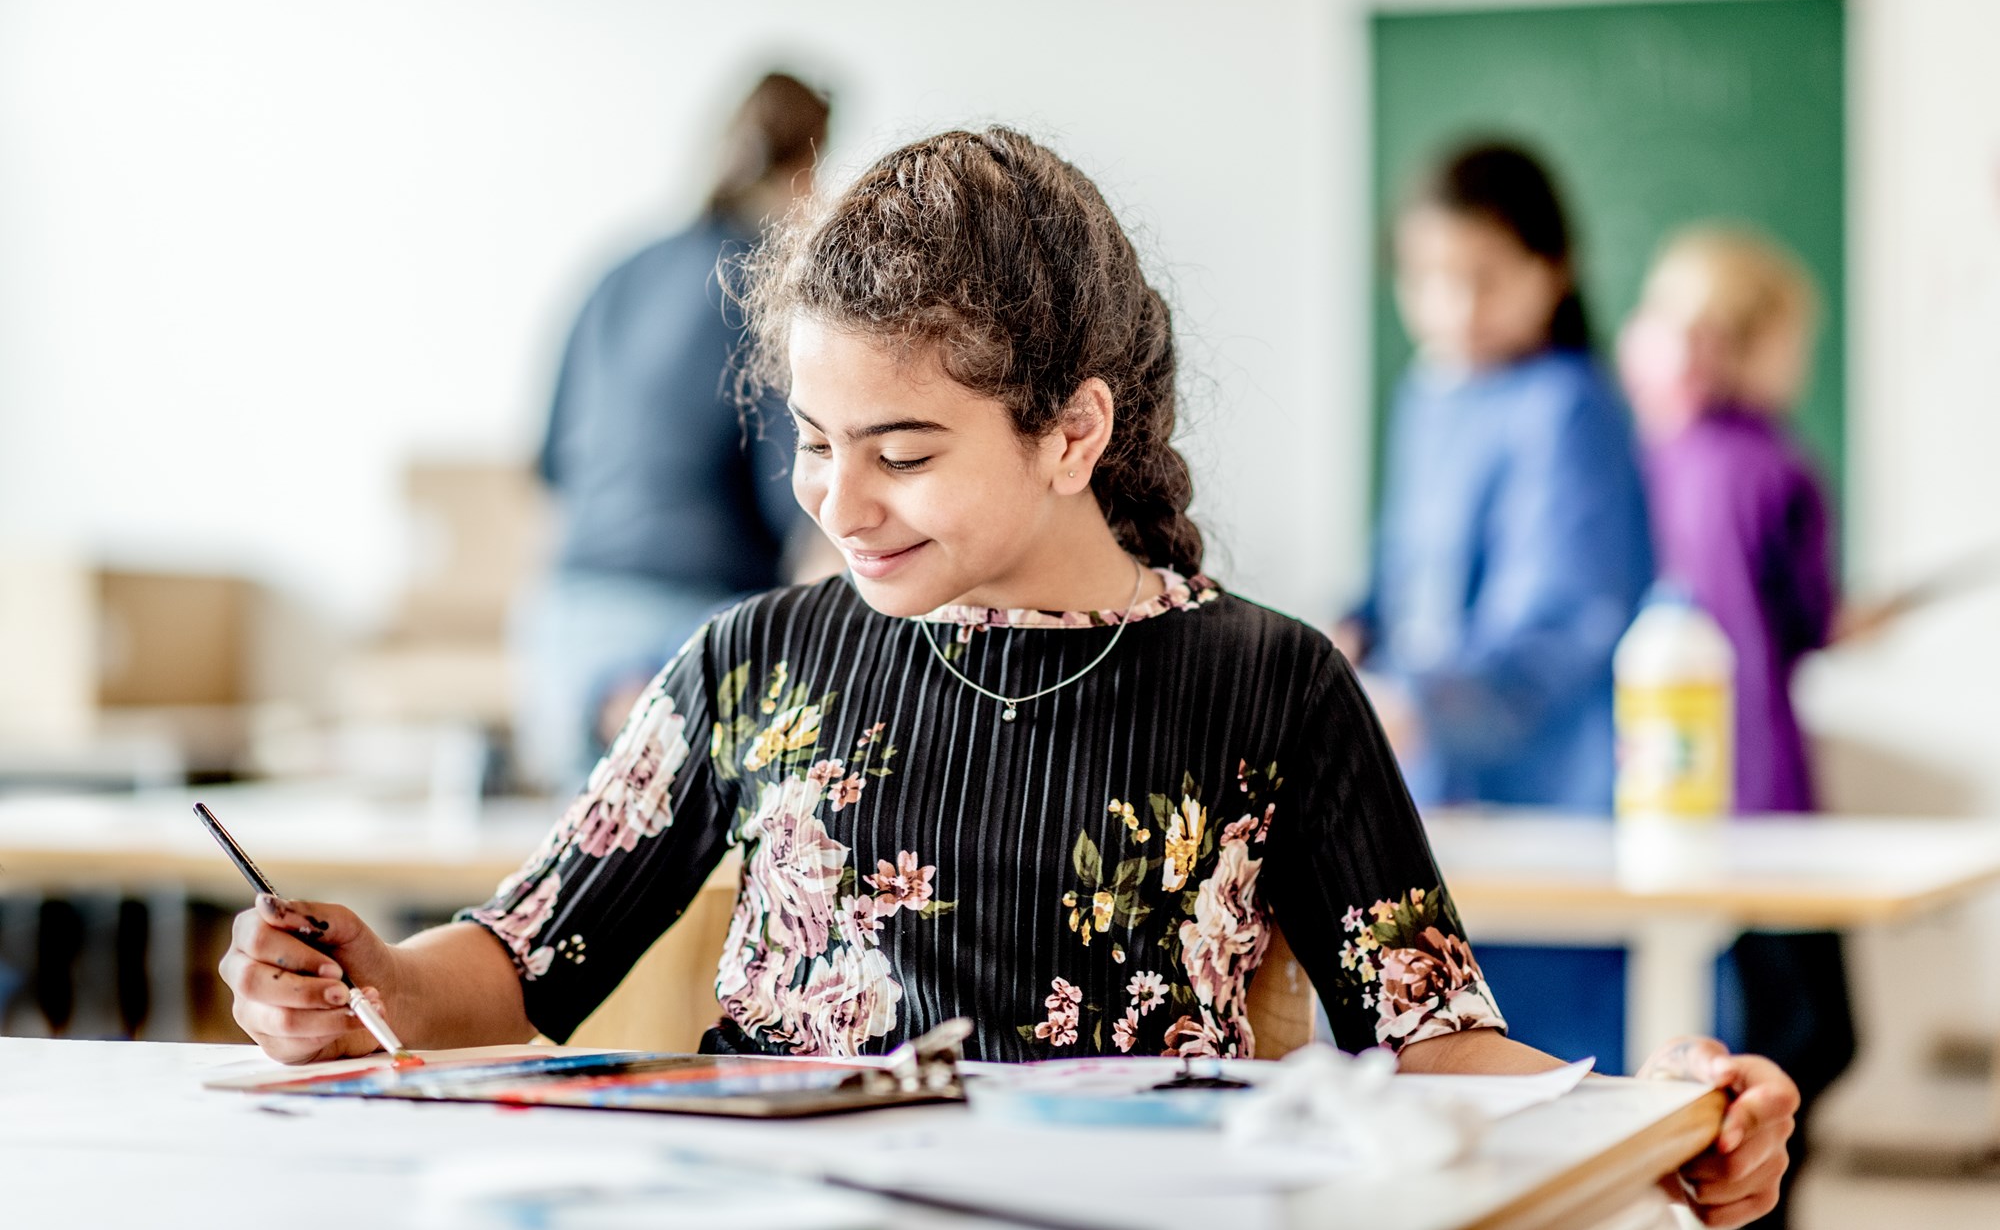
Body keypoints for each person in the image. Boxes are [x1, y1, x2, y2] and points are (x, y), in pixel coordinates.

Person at [224, 129, 1796, 1227]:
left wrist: (1668, 1107)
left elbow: (1435, 1038)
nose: (840, 503)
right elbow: (521, 958)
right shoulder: (747, 660)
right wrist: (368, 984)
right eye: (815, 443)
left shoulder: (1272, 685)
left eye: (904, 452)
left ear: (1073, 431)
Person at [1337, 142, 1654, 1068]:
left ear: (1552, 269)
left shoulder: (1570, 405)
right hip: (1434, 783)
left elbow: (1563, 622)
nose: (1456, 307)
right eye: (1429, 279)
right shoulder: (1428, 392)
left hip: (1546, 787)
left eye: (1485, 278)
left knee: (1548, 1057)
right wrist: (1349, 634)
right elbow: (1400, 568)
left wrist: (1420, 699)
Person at [1618, 226, 1856, 1228]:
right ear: (1749, 342)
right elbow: (1808, 621)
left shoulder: (1647, 462)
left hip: (1667, 793)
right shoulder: (1776, 466)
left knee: (1734, 1020)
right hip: (1768, 795)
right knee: (1815, 1032)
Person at [516, 71, 835, 792]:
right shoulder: (765, 285)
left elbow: (551, 462)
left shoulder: (620, 269)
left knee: (590, 847)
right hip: (690, 624)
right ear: (804, 174)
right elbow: (806, 491)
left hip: (563, 616)